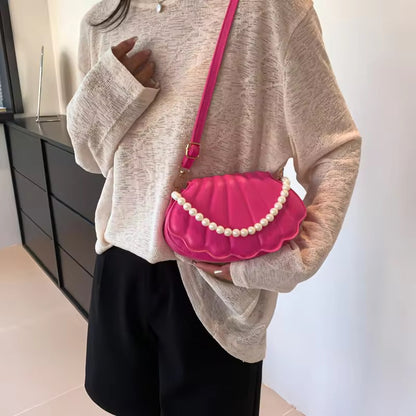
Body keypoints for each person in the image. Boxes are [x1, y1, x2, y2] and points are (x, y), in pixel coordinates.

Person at [66, 0, 362, 414]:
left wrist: (296, 260)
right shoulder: (102, 21)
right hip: (120, 265)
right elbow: (90, 157)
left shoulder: (269, 11)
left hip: (213, 285)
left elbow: (335, 150)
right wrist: (108, 94)